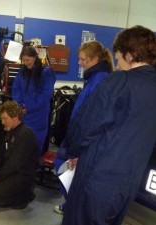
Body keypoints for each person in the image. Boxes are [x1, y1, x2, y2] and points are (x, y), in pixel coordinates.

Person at [61, 25, 156, 225]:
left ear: (130, 55)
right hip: (128, 181)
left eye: (119, 57)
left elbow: (86, 125)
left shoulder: (119, 82)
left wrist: (72, 152)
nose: (117, 62)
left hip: (98, 176)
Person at [53, 40, 115, 214]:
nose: (79, 63)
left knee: (64, 167)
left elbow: (93, 117)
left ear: (94, 59)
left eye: (82, 59)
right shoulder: (93, 77)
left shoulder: (100, 80)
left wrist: (77, 149)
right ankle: (72, 205)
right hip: (78, 134)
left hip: (84, 138)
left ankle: (74, 206)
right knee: (66, 169)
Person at [0, 100, 39, 209]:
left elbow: (14, 164)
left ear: (15, 117)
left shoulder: (25, 135)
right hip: (14, 172)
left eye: (4, 118)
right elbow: (1, 155)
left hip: (24, 175)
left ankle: (26, 194)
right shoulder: (10, 133)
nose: (2, 122)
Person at [12, 46, 56, 155]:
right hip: (22, 115)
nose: (26, 63)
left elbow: (45, 95)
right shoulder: (22, 72)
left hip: (38, 117)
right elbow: (16, 89)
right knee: (21, 147)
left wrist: (29, 107)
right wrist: (19, 106)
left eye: (28, 60)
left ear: (35, 57)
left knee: (34, 148)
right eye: (24, 60)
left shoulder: (46, 73)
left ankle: (32, 169)